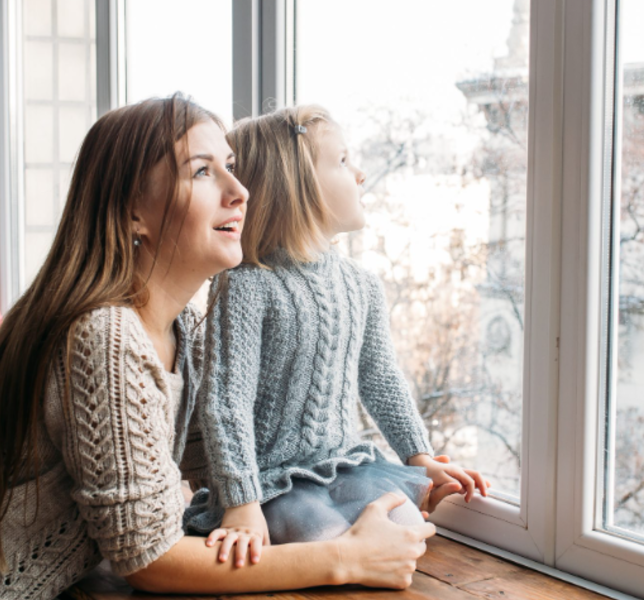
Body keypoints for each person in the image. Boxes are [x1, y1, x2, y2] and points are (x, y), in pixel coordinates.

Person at [0, 95, 435, 600]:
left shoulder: (180, 329)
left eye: (231, 167)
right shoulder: (108, 337)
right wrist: (346, 556)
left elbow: (237, 442)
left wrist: (414, 463)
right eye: (202, 172)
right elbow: (150, 559)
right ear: (133, 211)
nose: (240, 191)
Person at [190, 105, 489, 568]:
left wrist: (420, 454)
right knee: (319, 535)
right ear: (298, 183)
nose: (362, 174)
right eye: (344, 161)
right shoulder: (248, 284)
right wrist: (241, 500)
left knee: (406, 527)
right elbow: (226, 402)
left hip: (342, 465)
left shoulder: (362, 284)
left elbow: (380, 376)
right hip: (269, 479)